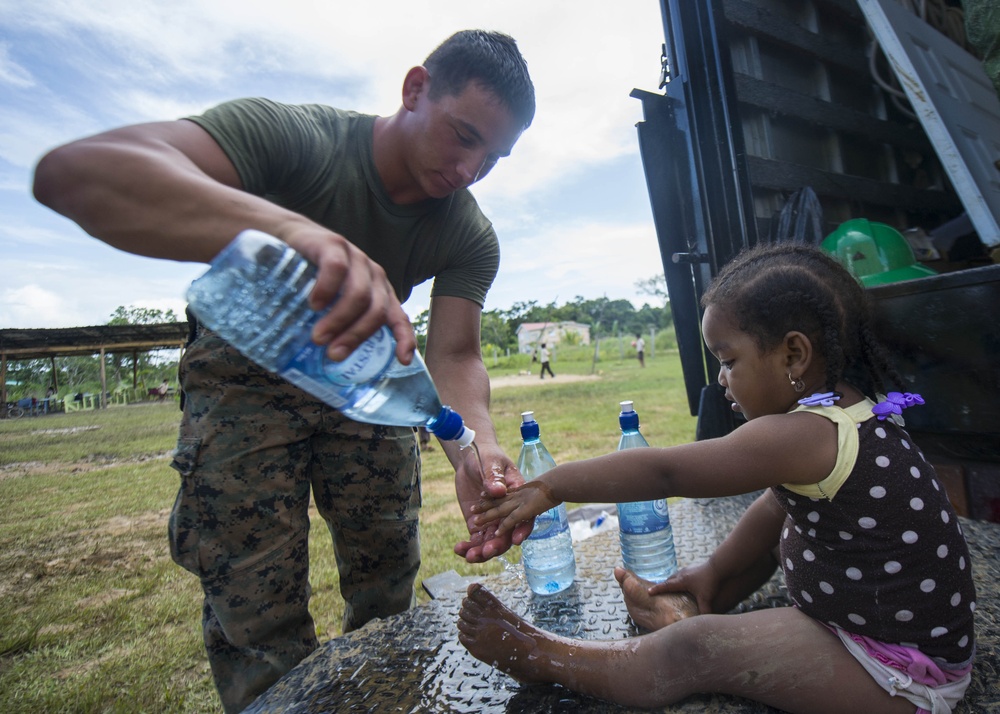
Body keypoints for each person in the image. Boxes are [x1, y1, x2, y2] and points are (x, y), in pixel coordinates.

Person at [34, 30, 535, 713]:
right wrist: (286, 231)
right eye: (462, 135)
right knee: (256, 613)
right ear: (416, 89)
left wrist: (474, 448)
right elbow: (76, 173)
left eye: (493, 156)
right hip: (244, 381)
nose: (470, 168)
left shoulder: (467, 231)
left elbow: (454, 354)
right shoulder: (297, 139)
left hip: (370, 392)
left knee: (388, 587)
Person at [460, 243, 977, 714]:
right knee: (780, 517)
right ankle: (707, 596)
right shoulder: (855, 412)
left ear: (793, 355)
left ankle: (541, 654)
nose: (722, 380)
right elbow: (778, 509)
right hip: (886, 636)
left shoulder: (802, 435)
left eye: (729, 361)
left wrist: (550, 487)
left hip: (896, 674)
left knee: (695, 651)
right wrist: (712, 572)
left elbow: (665, 470)